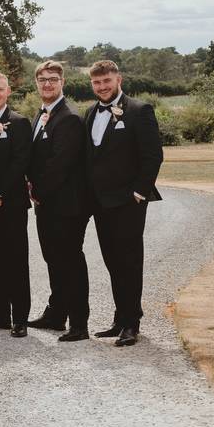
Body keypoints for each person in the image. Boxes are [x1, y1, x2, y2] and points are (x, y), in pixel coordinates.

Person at [83, 60, 163, 347]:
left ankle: (132, 324)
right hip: (101, 203)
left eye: (106, 81)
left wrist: (139, 193)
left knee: (129, 261)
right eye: (97, 82)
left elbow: (153, 156)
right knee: (113, 261)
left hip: (129, 202)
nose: (102, 86)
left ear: (119, 79)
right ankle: (120, 318)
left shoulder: (139, 111)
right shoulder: (91, 112)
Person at [26, 61, 91, 342]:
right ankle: (56, 314)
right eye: (42, 79)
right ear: (37, 83)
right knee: (53, 259)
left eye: (52, 79)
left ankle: (79, 323)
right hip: (47, 205)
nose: (47, 84)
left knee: (70, 261)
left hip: (67, 205)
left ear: (62, 82)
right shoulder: (41, 115)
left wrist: (36, 191)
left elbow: (60, 164)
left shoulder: (69, 118)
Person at [0, 72, 32, 338]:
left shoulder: (20, 122)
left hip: (11, 203)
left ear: (8, 91)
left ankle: (20, 317)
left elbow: (20, 162)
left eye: (0, 89)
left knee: (16, 259)